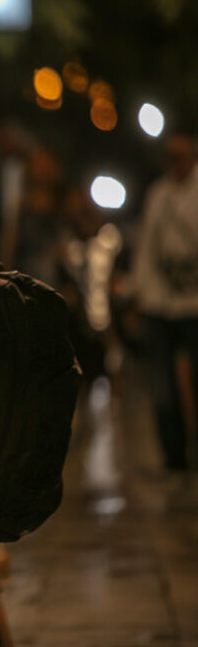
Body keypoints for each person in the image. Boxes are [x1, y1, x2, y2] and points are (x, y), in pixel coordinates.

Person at [132, 132, 198, 472]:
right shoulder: (157, 195)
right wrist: (139, 294)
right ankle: (174, 457)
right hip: (160, 301)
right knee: (161, 386)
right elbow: (145, 247)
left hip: (194, 303)